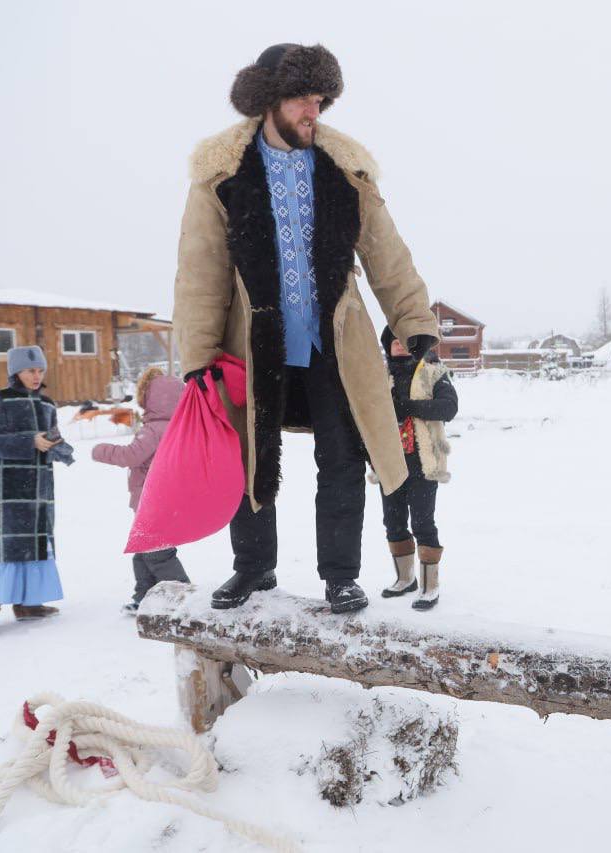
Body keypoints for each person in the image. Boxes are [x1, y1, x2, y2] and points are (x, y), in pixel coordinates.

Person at [173, 43, 440, 614]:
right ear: (267, 99)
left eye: (320, 100)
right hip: (252, 343)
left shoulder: (345, 171)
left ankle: (340, 576)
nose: (313, 112)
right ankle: (253, 567)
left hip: (333, 342)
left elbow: (388, 257)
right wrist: (197, 357)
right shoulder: (222, 175)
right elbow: (200, 272)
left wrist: (416, 325)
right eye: (301, 99)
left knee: (342, 460)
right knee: (250, 457)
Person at [0, 345, 73, 637]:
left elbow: (51, 440)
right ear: (16, 372)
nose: (36, 376)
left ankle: (28, 604)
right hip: (11, 489)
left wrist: (60, 448)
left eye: (40, 370)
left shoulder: (47, 404)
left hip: (42, 489)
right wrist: (29, 441)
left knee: (39, 545)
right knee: (9, 547)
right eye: (30, 370)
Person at [92, 366, 190, 614]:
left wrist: (101, 450)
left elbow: (131, 456)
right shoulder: (178, 426)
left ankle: (184, 595)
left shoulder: (153, 430)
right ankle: (145, 596)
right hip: (166, 499)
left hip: (153, 501)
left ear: (149, 398)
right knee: (143, 548)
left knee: (157, 552)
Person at [376, 326, 457, 610]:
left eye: (405, 340)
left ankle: (430, 586)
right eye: (394, 340)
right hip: (389, 461)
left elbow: (448, 407)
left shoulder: (433, 371)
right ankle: (405, 578)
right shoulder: (379, 374)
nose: (399, 344)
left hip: (423, 462)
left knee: (423, 523)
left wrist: (408, 407)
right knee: (393, 521)